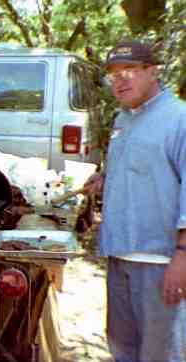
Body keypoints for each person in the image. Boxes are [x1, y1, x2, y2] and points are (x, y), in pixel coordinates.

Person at [85, 40, 186, 362]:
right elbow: (138, 167)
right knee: (122, 347)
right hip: (119, 252)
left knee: (159, 353)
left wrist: (182, 258)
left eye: (129, 70)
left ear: (152, 71)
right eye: (114, 73)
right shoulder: (123, 118)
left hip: (159, 261)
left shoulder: (179, 118)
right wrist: (104, 179)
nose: (121, 79)